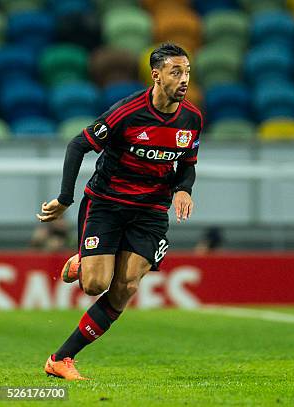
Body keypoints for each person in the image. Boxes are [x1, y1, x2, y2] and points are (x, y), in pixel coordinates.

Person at [36, 43, 202, 380]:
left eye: (186, 72)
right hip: (107, 204)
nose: (184, 79)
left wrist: (184, 188)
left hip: (152, 210)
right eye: (176, 72)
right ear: (156, 75)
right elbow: (78, 145)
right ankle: (83, 260)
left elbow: (187, 165)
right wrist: (65, 199)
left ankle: (61, 359)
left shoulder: (192, 118)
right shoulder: (127, 112)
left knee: (125, 287)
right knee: (95, 285)